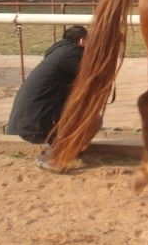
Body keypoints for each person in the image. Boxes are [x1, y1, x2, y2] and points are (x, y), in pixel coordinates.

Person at [6, 26, 100, 166]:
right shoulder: (72, 54)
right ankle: (54, 156)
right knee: (94, 120)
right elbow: (92, 77)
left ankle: (56, 152)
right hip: (35, 125)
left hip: (27, 122)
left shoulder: (58, 52)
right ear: (82, 41)